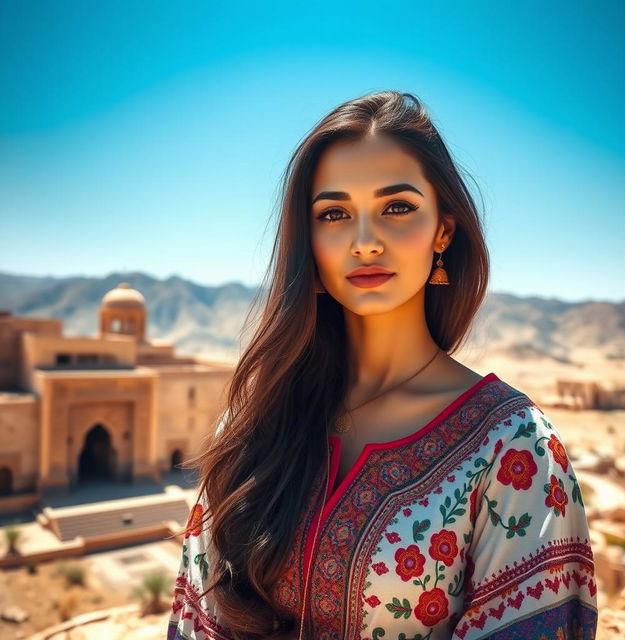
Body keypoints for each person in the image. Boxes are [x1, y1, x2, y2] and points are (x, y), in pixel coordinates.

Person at [167, 91, 597, 640]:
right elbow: (196, 619)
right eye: (335, 214)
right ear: (310, 242)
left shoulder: (513, 449)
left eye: (397, 207)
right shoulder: (256, 421)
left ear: (443, 229)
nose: (365, 242)